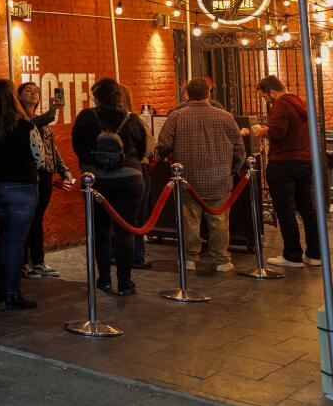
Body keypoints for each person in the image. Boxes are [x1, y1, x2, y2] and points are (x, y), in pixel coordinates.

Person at [155, 77, 246, 272]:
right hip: (220, 178)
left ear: (187, 93)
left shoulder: (177, 116)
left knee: (189, 221)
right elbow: (239, 148)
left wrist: (168, 159)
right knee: (219, 221)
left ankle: (189, 258)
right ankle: (221, 259)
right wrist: (233, 170)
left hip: (188, 178)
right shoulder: (225, 117)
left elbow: (162, 144)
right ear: (208, 93)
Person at [70, 78, 146, 296]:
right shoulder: (133, 119)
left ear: (95, 96)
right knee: (126, 230)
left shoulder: (86, 117)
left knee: (100, 230)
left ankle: (104, 278)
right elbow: (141, 150)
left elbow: (78, 146)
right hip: (129, 179)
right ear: (119, 96)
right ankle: (125, 282)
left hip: (96, 180)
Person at [0, 78, 40, 310]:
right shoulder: (25, 126)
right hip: (21, 185)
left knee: (3, 236)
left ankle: (0, 288)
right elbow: (40, 158)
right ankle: (13, 293)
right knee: (16, 241)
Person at [252, 75, 322, 268]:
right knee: (307, 208)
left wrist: (263, 131)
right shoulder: (299, 102)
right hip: (304, 161)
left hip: (283, 163)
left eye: (265, 97)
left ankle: (292, 255)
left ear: (272, 92)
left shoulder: (281, 105)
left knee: (285, 209)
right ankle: (315, 254)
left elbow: (278, 133)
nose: (266, 101)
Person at [16, 83, 70, 279]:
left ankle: (38, 261)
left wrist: (64, 170)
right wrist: (52, 111)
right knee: (26, 219)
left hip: (46, 174)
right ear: (18, 96)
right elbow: (34, 123)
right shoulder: (21, 120)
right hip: (30, 174)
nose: (33, 93)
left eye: (36, 91)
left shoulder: (43, 123)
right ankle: (22, 263)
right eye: (28, 90)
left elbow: (51, 149)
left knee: (37, 219)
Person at [121, 84, 156, 271]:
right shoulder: (136, 121)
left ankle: (115, 254)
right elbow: (149, 148)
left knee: (115, 216)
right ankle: (137, 256)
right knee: (137, 216)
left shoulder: (99, 120)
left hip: (109, 174)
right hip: (136, 171)